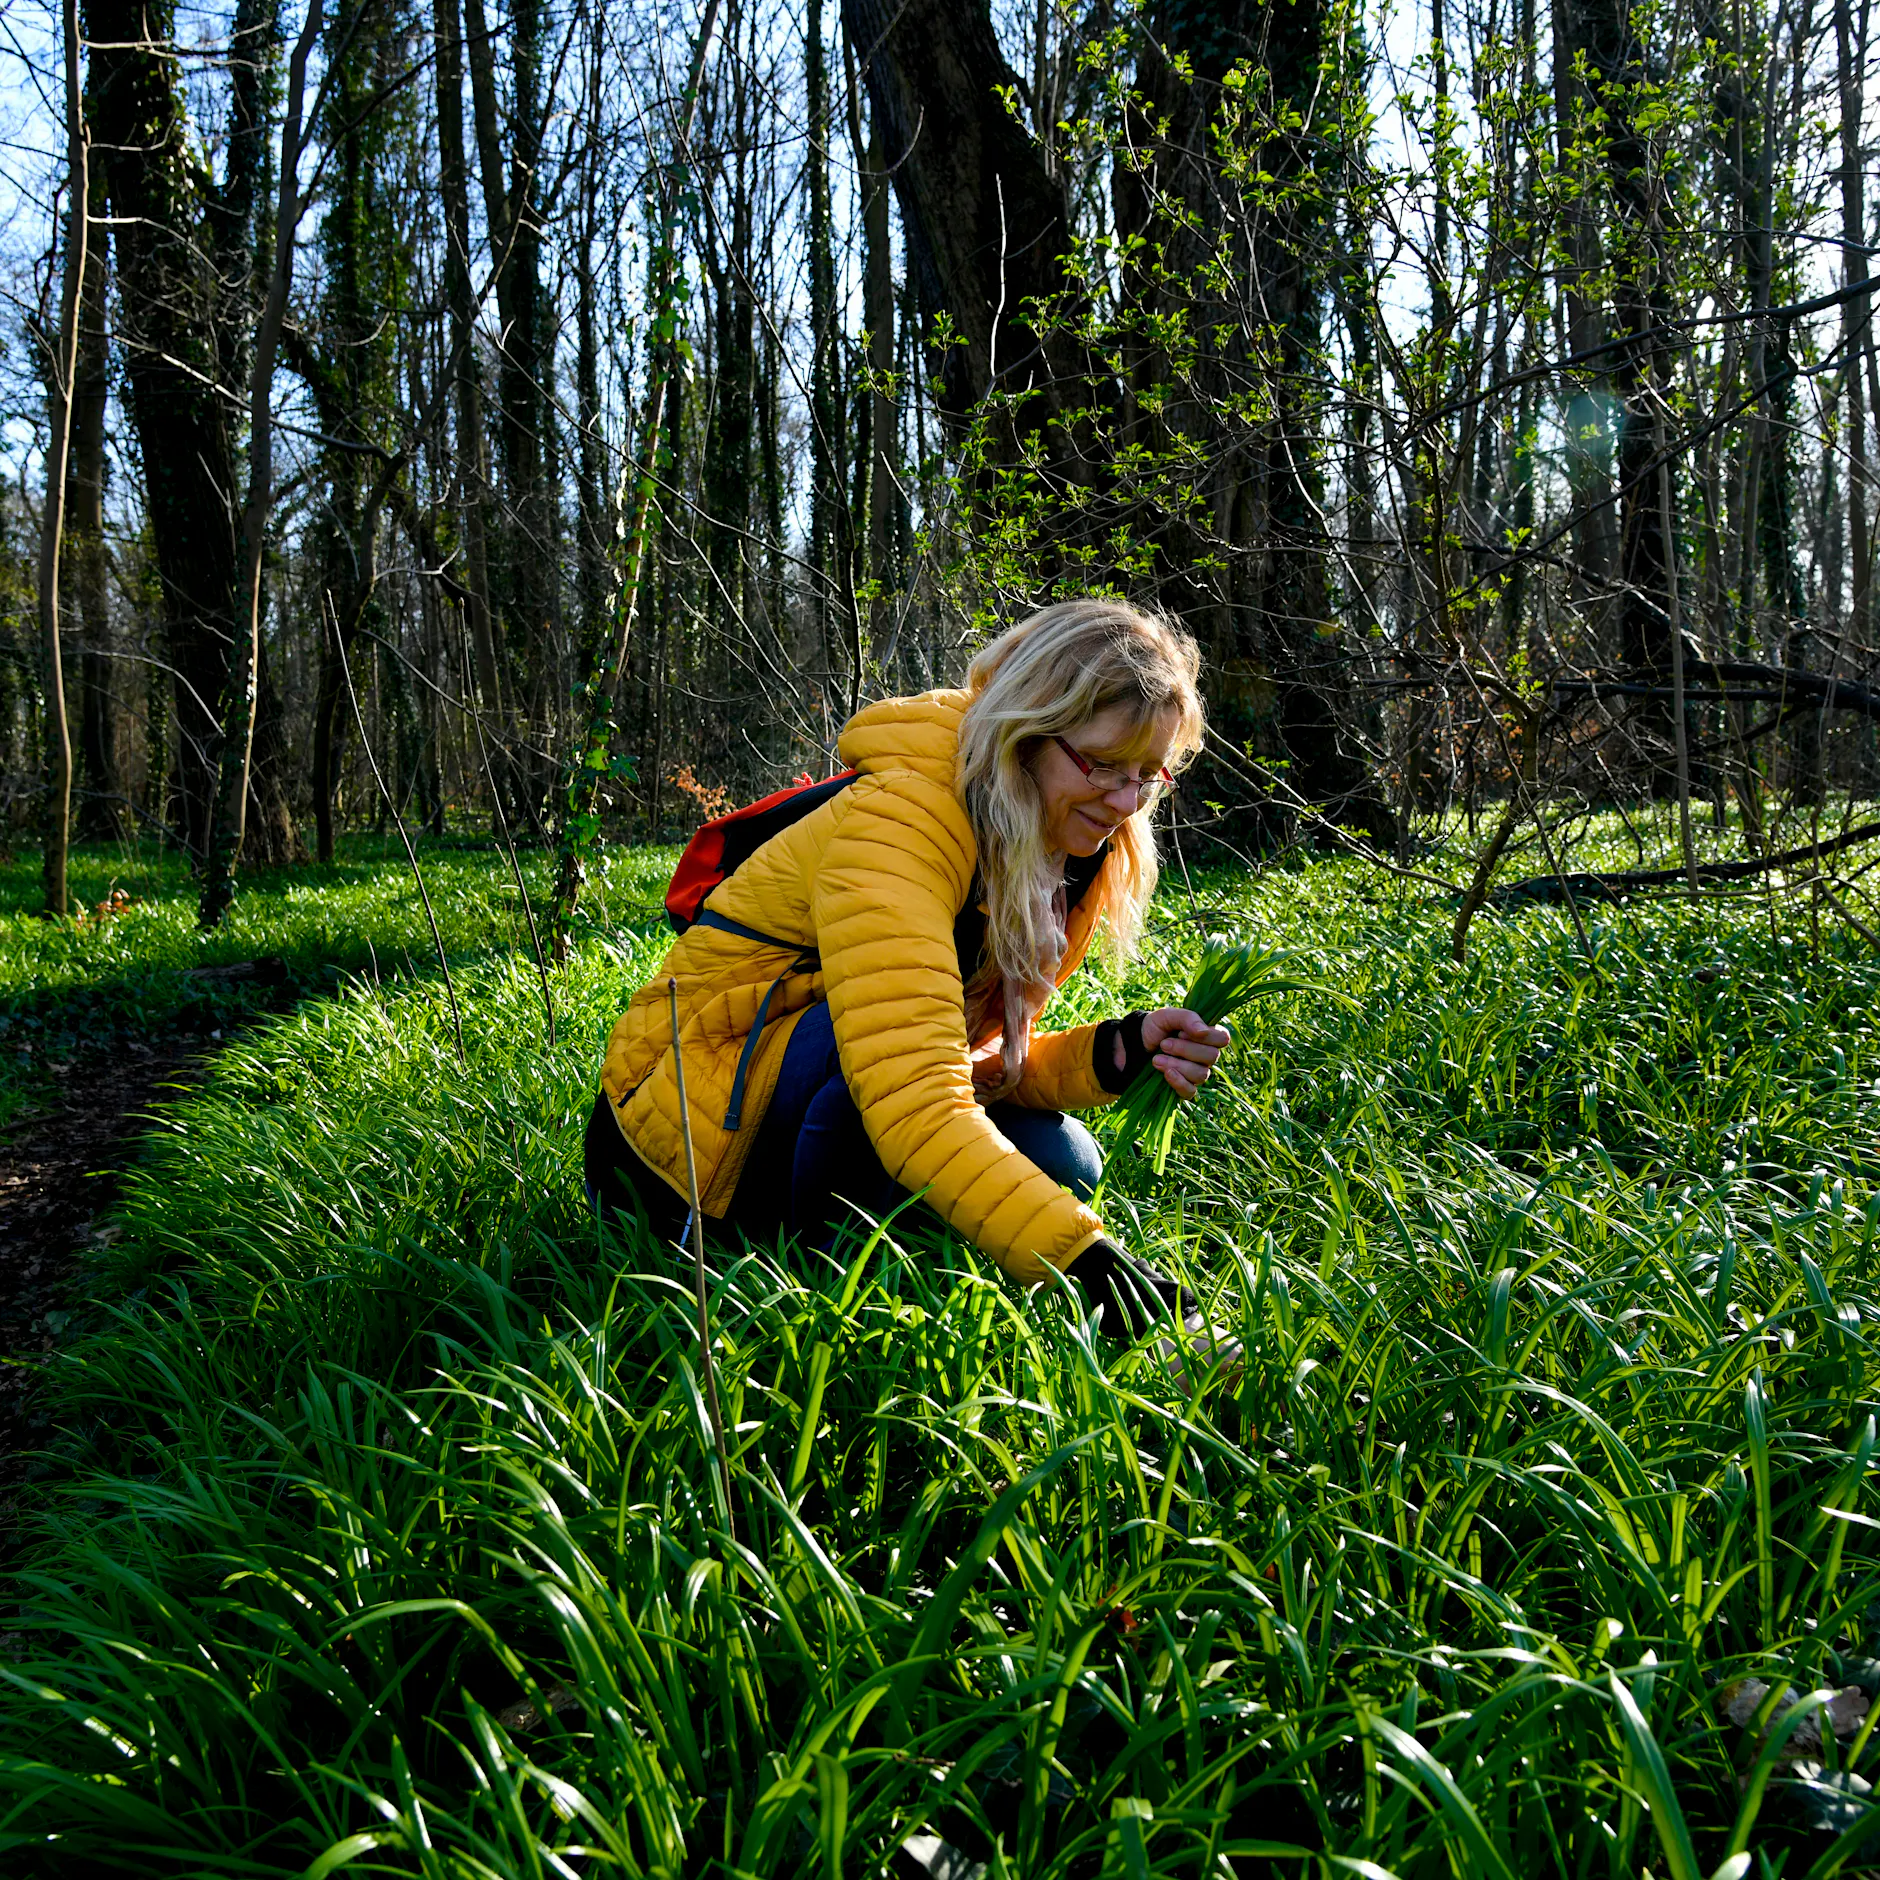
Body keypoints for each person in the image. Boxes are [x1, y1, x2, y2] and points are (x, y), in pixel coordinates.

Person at [585, 599, 1231, 1346]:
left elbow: (967, 1057)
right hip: (670, 1162)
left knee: (1067, 1159)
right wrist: (1116, 1287)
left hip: (802, 1104)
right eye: (1103, 765)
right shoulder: (901, 825)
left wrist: (1119, 1051)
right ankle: (814, 1306)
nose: (1125, 803)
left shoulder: (1053, 845)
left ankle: (860, 1249)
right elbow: (914, 1096)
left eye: (1148, 777)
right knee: (863, 1060)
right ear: (1025, 733)